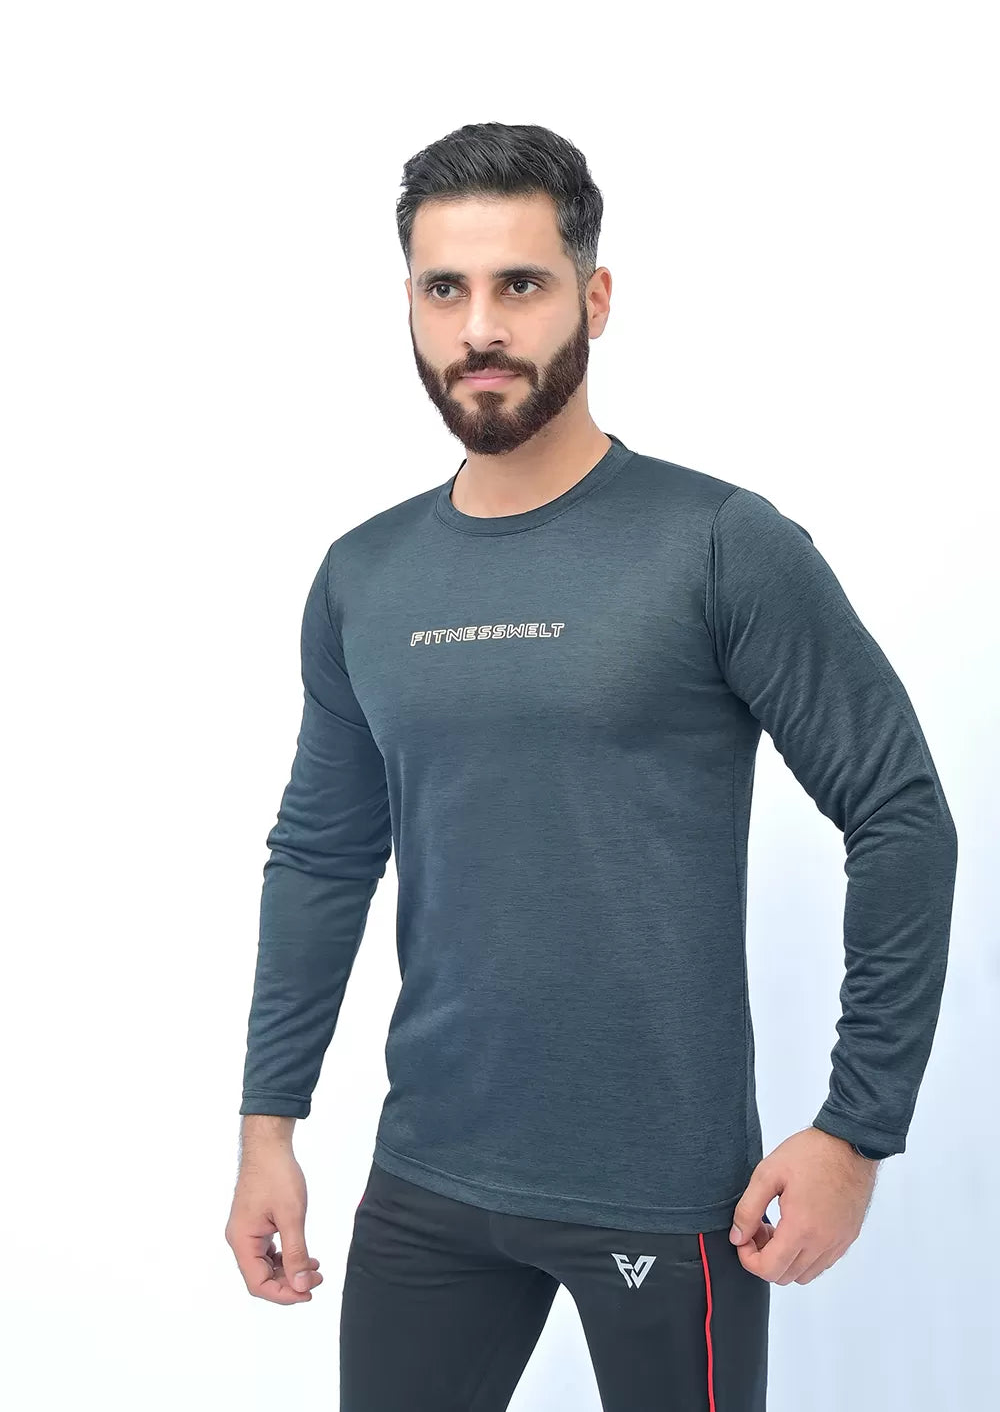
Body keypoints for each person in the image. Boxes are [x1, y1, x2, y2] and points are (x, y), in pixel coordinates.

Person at [225, 122, 958, 1411]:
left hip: (671, 1198)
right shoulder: (363, 576)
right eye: (444, 289)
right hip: (428, 1179)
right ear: (409, 304)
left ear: (595, 297)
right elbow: (322, 856)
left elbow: (899, 814)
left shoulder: (718, 543)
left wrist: (856, 1128)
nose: (480, 328)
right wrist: (266, 1126)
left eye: (521, 283)